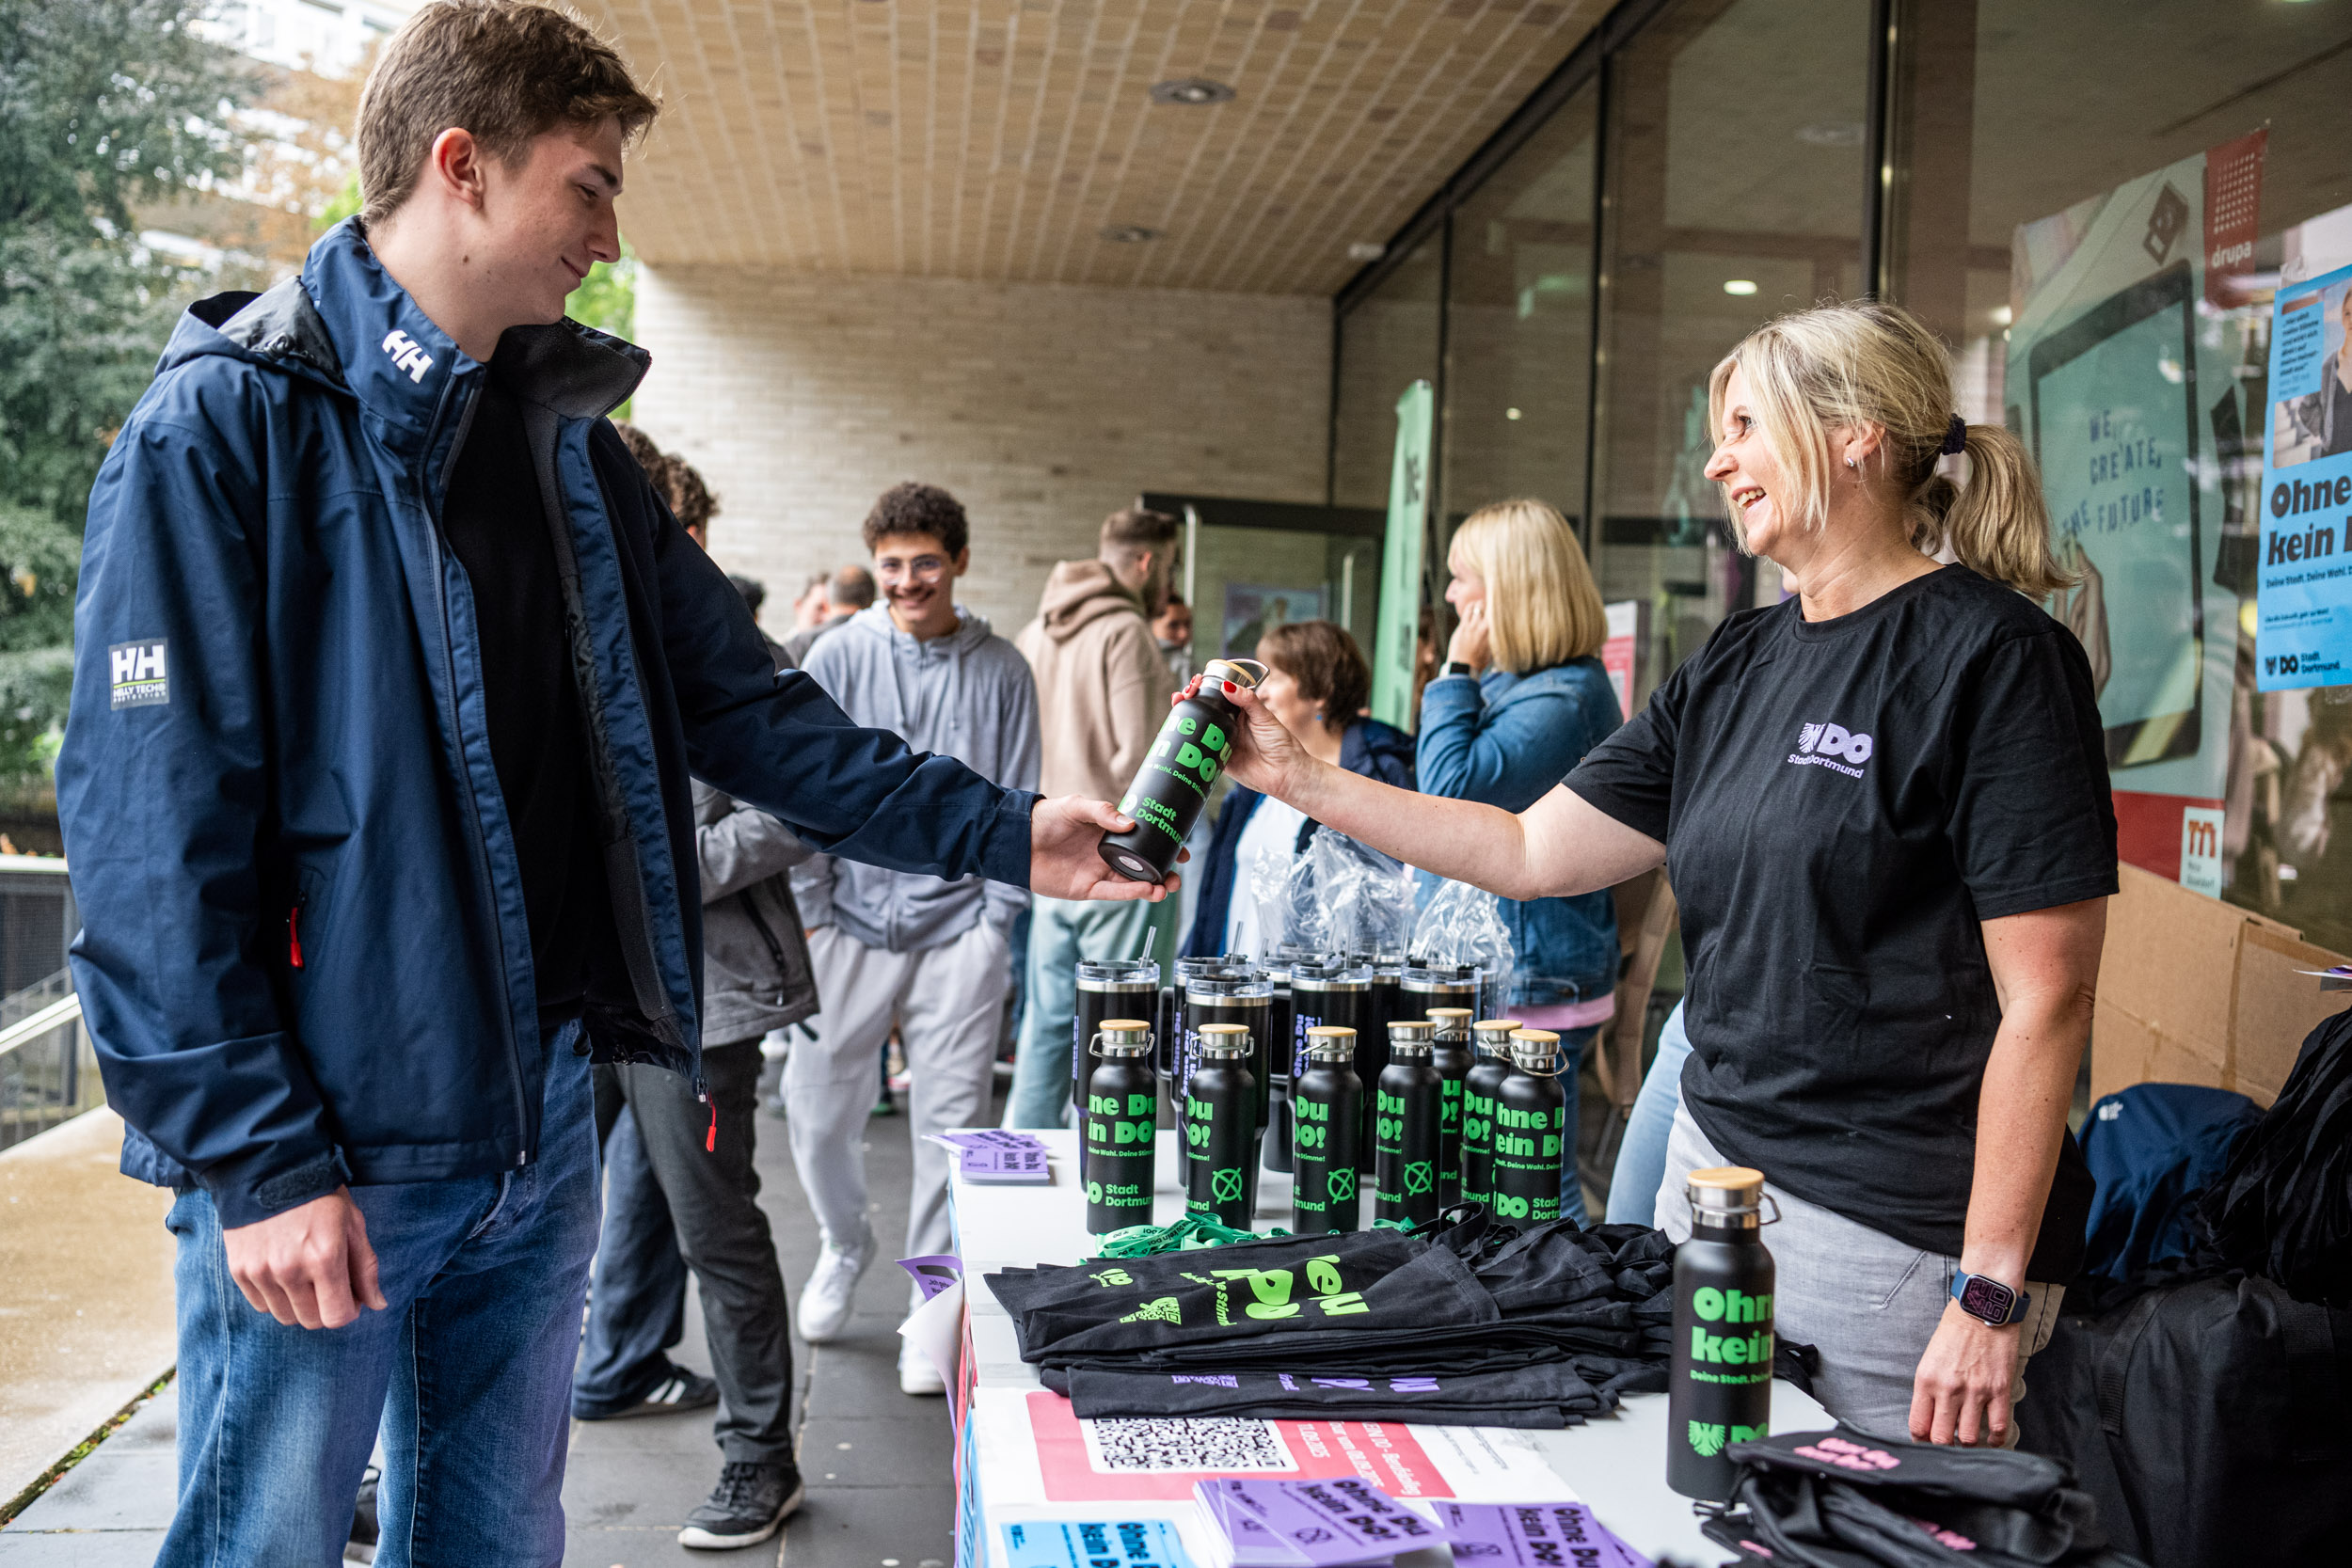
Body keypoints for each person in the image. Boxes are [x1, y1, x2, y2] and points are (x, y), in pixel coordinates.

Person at [56, 7, 1167, 1561]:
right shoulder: (223, 432)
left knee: (501, 1540)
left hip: (534, 1137)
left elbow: (756, 710)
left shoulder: (571, 453)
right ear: (465, 169)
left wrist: (1000, 832)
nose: (607, 228)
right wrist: (254, 1160)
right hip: (333, 1160)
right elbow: (146, 836)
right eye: (587, 183)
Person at [1193, 300, 2113, 1449]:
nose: (1718, 460)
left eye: (1742, 425)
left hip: (1892, 1242)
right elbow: (1527, 850)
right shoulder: (1738, 656)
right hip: (1713, 1186)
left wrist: (1989, 1288)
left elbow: (2049, 998)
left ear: (1855, 436)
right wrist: (1295, 778)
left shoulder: (1998, 657)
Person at [571, 457, 818, 1549]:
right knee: (550, 1221)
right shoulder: (557, 621)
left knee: (715, 1226)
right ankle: (617, 1365)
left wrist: (662, 870)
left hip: (698, 1001)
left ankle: (762, 1457)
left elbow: (799, 805)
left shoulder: (731, 648)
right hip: (574, 996)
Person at [787, 483, 1040, 1395]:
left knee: (951, 1132)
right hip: (847, 919)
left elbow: (1020, 799)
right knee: (814, 1111)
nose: (905, 579)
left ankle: (928, 1306)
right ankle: (843, 1241)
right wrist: (812, 904)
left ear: (958, 561)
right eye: (891, 564)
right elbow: (802, 786)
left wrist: (993, 926)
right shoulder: (838, 652)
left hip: (957, 934)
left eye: (924, 561)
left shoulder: (1004, 667)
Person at [1417, 499, 1621, 1226]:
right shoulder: (1522, 684)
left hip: (1535, 977)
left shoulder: (1564, 698)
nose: (1450, 596)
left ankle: (1565, 1306)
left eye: (1462, 577)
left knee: (1536, 1177)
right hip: (1508, 970)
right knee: (1493, 1167)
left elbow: (1447, 787)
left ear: (1508, 587)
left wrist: (1454, 667)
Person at [1007, 507, 1182, 1128]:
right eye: (1171, 560)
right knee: (1119, 1031)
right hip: (1115, 858)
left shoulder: (1035, 631)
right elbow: (1143, 760)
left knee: (1048, 1024)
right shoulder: (1125, 633)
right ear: (1146, 561)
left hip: (1049, 849)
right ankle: (1112, 1173)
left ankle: (1020, 1163)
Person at [1184, 621, 1413, 958]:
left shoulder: (1379, 777)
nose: (1259, 693)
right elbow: (1212, 904)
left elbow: (1382, 909)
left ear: (1320, 690)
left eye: (1273, 678)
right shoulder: (1252, 788)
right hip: (1237, 990)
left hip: (1312, 997)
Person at [782, 562, 876, 666]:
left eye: (824, 609)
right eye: (819, 608)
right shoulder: (879, 643)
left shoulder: (799, 645)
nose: (825, 617)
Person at [1152, 593, 1194, 687]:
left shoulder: (1188, 665)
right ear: (1152, 625)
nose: (1184, 634)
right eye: (1173, 625)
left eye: (1187, 624)